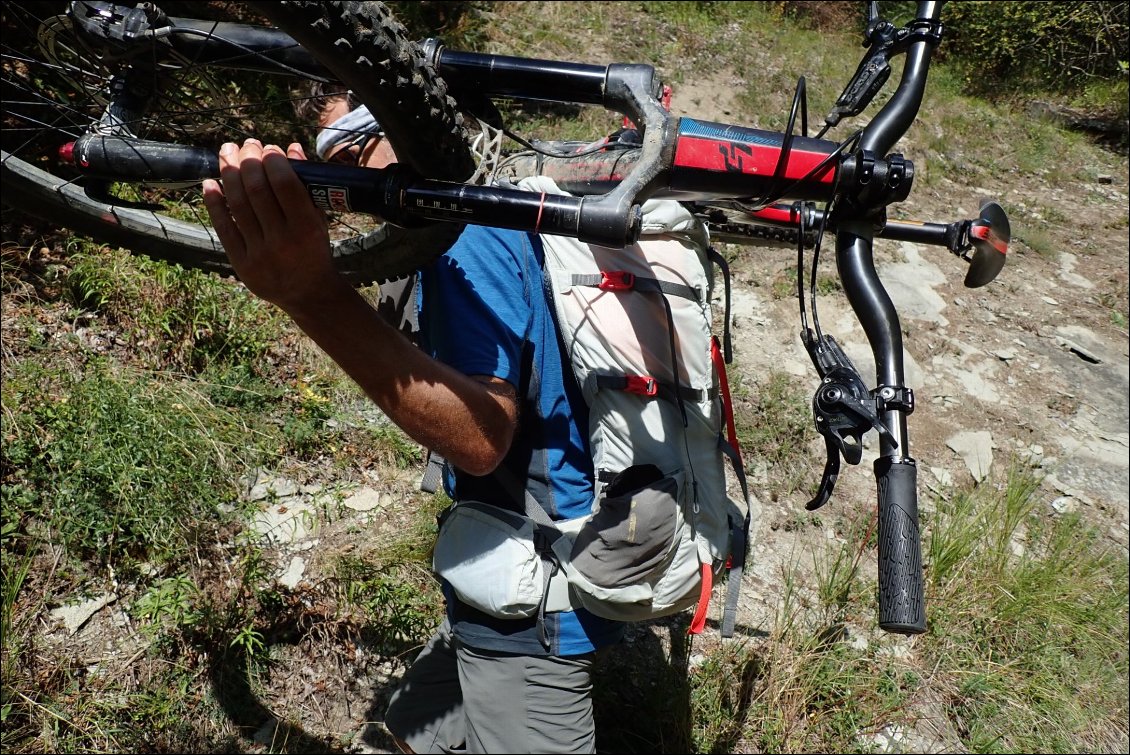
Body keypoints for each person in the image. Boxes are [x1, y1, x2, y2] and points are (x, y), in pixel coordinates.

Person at [201, 87, 626, 754]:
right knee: (405, 729)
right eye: (332, 154)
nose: (349, 172)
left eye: (354, 147)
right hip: (504, 556)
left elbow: (481, 437)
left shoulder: (464, 237)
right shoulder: (480, 210)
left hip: (533, 601)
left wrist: (309, 295)